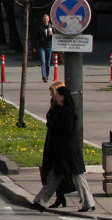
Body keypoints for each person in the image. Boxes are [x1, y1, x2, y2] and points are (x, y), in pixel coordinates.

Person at [32, 84, 96, 212]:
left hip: (66, 151)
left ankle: (88, 203)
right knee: (58, 177)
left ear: (63, 97)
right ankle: (40, 200)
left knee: (74, 177)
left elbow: (65, 131)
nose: (54, 97)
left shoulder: (65, 112)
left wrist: (57, 138)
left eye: (57, 95)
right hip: (65, 151)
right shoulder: (60, 110)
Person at [36, 14, 55, 82]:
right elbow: (37, 37)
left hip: (49, 46)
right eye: (44, 18)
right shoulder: (40, 27)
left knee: (48, 62)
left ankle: (47, 75)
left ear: (49, 19)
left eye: (47, 18)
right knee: (43, 62)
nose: (45, 19)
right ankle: (44, 75)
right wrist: (35, 47)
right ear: (43, 19)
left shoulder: (51, 26)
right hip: (42, 46)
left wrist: (52, 34)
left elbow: (55, 36)